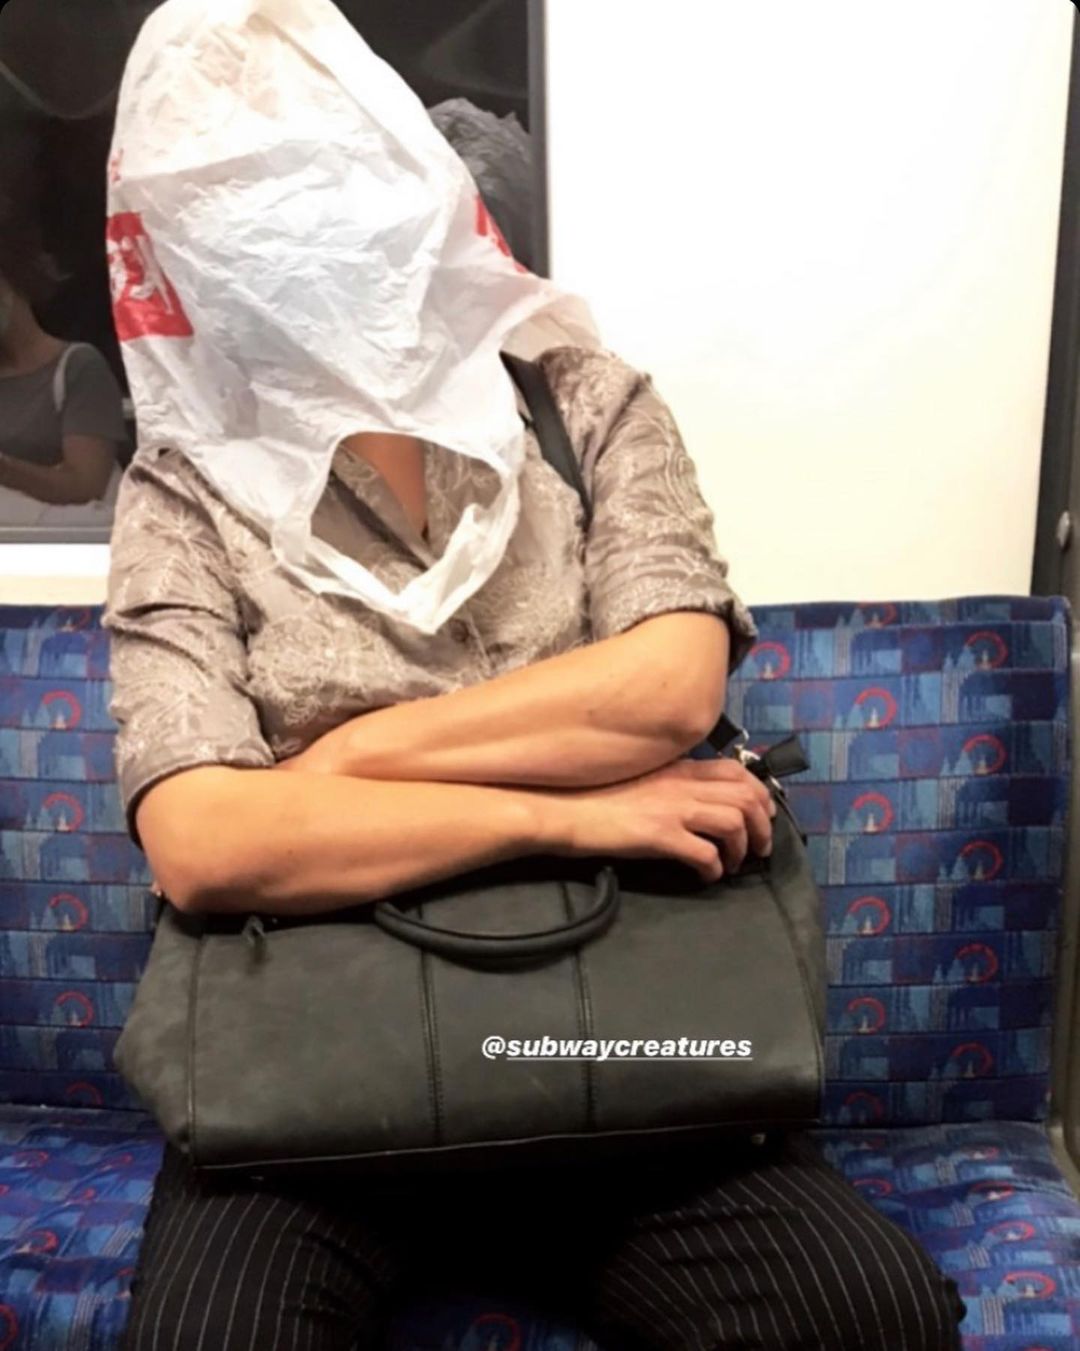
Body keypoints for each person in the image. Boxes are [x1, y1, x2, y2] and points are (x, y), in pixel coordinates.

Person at [104, 345, 967, 1350]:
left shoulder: (580, 405)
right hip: (303, 1083)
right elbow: (204, 843)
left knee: (865, 1313)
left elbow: (669, 689)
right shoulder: (190, 475)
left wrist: (342, 758)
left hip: (632, 1058)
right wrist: (572, 812)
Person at [0, 256, 127, 514]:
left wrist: (6, 470)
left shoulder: (79, 366)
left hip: (60, 535)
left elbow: (86, 484)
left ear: (13, 283)